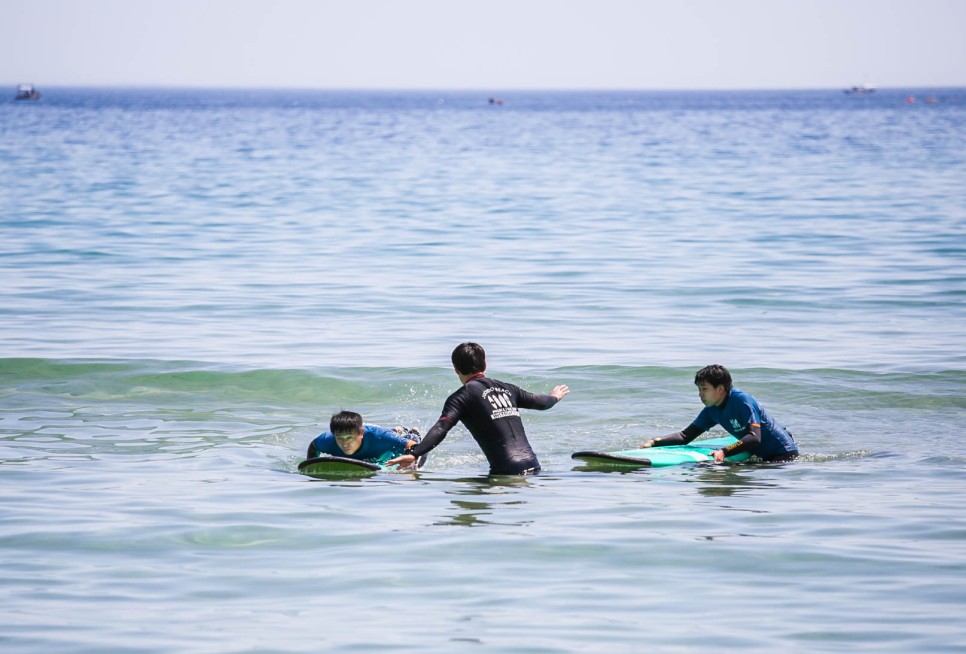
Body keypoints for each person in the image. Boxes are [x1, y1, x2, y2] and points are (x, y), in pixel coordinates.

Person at [386, 342, 570, 475]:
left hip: (505, 472)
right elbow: (540, 402)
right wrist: (554, 396)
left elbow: (442, 427)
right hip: (533, 466)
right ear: (485, 365)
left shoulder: (461, 397)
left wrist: (415, 453)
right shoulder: (508, 389)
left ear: (456, 369)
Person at [641, 364, 798, 463]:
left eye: (704, 389)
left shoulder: (742, 401)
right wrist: (655, 441)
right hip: (761, 456)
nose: (700, 394)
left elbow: (754, 437)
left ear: (720, 388)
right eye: (699, 389)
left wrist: (724, 451)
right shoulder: (712, 410)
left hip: (783, 456)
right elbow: (685, 436)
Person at [306, 410, 422, 467]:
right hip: (379, 436)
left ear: (361, 433)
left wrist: (416, 467)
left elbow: (416, 447)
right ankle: (395, 429)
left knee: (411, 438)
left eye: (349, 438)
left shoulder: (380, 437)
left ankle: (409, 431)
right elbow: (313, 446)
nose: (345, 443)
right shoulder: (327, 440)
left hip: (382, 441)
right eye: (340, 438)